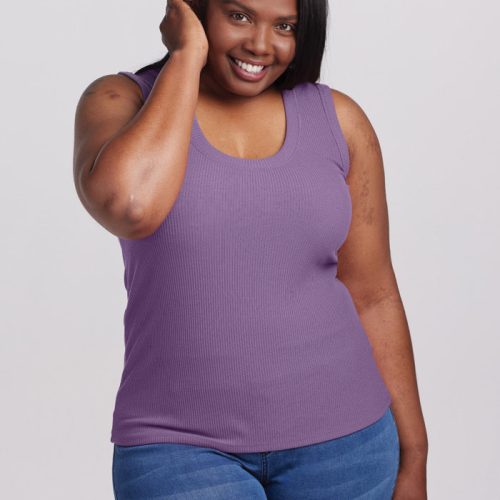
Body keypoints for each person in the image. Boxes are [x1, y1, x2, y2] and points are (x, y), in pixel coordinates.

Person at [73, 0, 428, 498]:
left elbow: (373, 294)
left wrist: (414, 456)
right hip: (178, 450)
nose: (262, 45)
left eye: (285, 25)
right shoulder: (120, 100)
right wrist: (186, 55)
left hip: (349, 449)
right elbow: (131, 205)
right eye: (239, 16)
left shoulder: (339, 121)